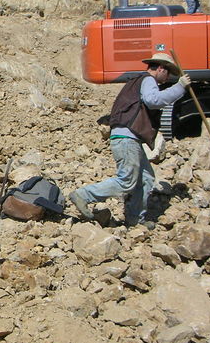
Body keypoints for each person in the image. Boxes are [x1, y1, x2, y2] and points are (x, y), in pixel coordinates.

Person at [68, 52, 191, 228]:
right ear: (161, 68)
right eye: (168, 72)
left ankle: (135, 219)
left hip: (129, 138)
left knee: (146, 178)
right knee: (127, 181)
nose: (169, 77)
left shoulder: (137, 82)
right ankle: (83, 195)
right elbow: (153, 100)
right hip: (127, 138)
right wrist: (180, 87)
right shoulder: (148, 80)